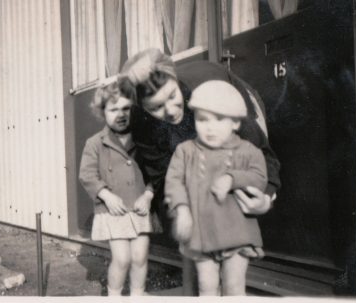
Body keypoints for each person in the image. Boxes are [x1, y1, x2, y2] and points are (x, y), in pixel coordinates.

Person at [117, 48, 281, 295]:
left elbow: (261, 154)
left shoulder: (213, 89)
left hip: (230, 98)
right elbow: (164, 180)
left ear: (174, 78)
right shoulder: (141, 123)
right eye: (156, 107)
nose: (171, 111)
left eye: (172, 96)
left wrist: (266, 197)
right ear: (142, 107)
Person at [165, 80, 268, 296]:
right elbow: (174, 181)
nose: (210, 127)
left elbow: (259, 178)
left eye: (219, 119)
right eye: (203, 119)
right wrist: (182, 209)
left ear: (236, 124)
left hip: (237, 232)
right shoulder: (186, 151)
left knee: (233, 286)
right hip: (201, 234)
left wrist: (233, 178)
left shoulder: (248, 151)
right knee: (207, 286)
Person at [78, 82, 159, 296]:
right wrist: (106, 196)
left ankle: (137, 295)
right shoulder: (95, 143)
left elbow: (156, 173)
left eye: (126, 108)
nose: (121, 114)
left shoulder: (144, 140)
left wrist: (149, 196)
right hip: (114, 209)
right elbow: (87, 175)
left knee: (140, 256)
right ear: (102, 112)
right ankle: (114, 295)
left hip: (140, 207)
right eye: (113, 109)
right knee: (122, 258)